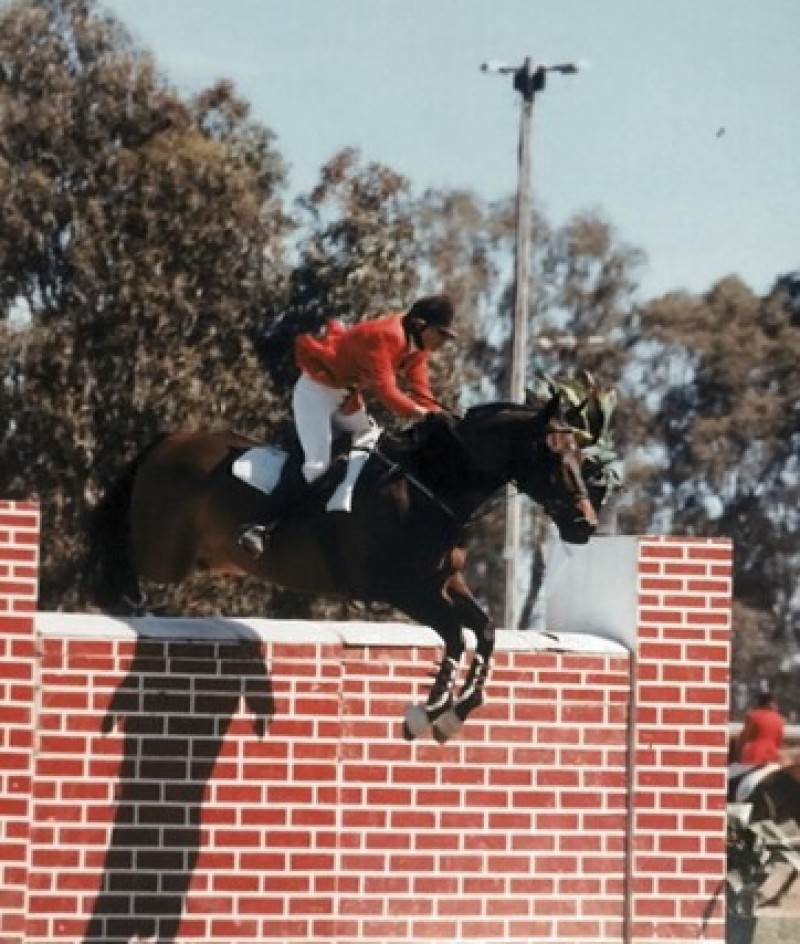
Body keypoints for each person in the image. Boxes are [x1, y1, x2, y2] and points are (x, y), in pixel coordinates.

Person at [239, 294, 457, 557]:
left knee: (370, 442)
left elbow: (421, 390)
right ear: (421, 325)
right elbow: (387, 392)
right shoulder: (387, 335)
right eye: (441, 334)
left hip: (345, 397)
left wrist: (440, 416)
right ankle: (260, 525)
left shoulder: (417, 346)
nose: (443, 342)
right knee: (317, 465)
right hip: (316, 393)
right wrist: (421, 414)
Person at [736, 689, 786, 765]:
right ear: (770, 703)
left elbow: (744, 737)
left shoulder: (753, 716)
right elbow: (779, 741)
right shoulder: (779, 719)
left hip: (754, 753)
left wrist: (738, 751)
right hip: (772, 754)